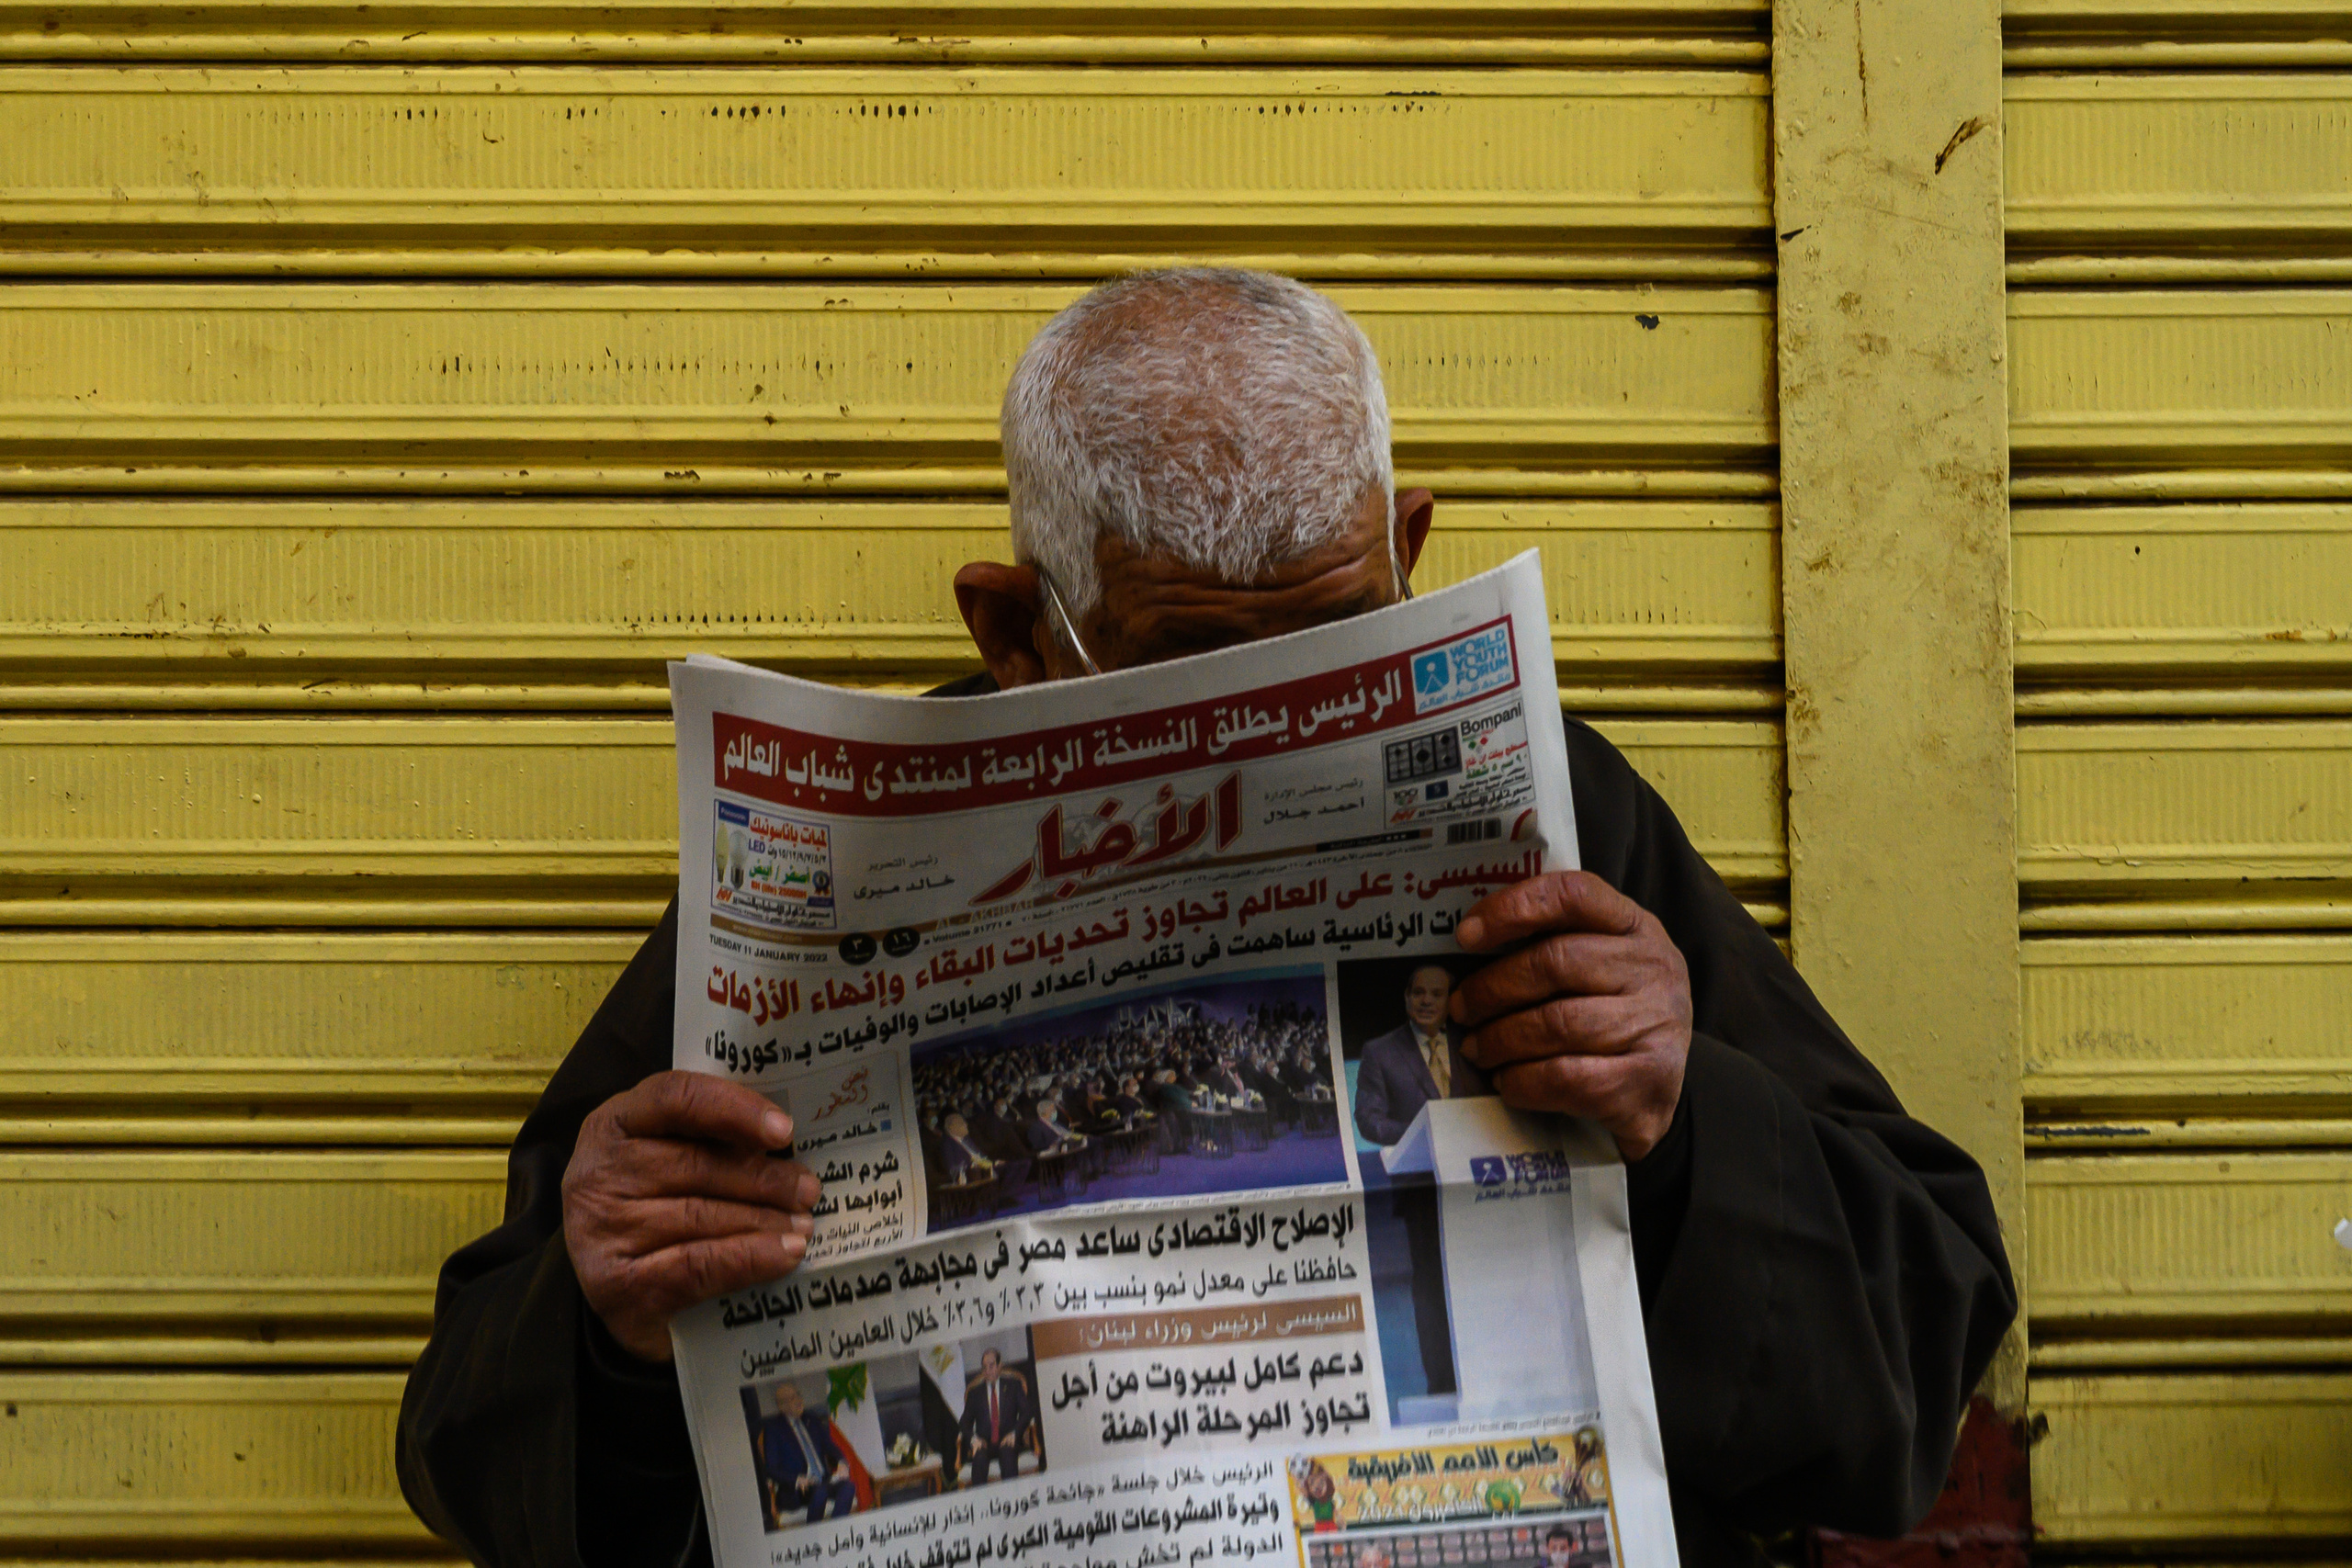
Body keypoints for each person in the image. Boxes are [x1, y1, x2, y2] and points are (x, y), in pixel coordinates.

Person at [397, 267, 2016, 1568]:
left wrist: (1683, 1120)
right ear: (1018, 622)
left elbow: (1916, 1352)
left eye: (1336, 643)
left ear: (1413, 544)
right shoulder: (839, 882)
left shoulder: (1550, 824)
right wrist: (604, 1306)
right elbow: (493, 1470)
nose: (1272, 730)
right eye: (1189, 667)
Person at [1353, 963, 1487, 1146]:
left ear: (1450, 1001)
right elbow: (1369, 1120)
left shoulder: (1472, 1042)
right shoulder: (1378, 1052)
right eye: (1418, 993)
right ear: (1407, 998)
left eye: (1437, 994)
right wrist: (1424, 1135)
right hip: (1419, 1169)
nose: (1426, 1001)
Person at [753, 1382, 854, 1527]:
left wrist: (841, 1463)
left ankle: (836, 1529)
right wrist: (797, 1480)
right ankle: (813, 1535)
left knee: (848, 1487)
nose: (799, 1401)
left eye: (798, 1395)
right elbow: (771, 1469)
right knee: (820, 1492)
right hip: (799, 1490)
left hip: (825, 1481)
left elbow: (830, 1447)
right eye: (792, 1399)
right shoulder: (773, 1429)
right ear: (781, 1406)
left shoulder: (811, 1420)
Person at [956, 1349, 1035, 1484]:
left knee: (1007, 1453)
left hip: (1008, 1440)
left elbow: (1027, 1412)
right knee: (979, 1457)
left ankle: (1012, 1498)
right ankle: (981, 1502)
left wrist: (1014, 1433)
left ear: (999, 1366)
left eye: (991, 1365)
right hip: (985, 1443)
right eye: (984, 1367)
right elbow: (964, 1422)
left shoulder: (1013, 1386)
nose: (988, 1370)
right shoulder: (975, 1393)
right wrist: (974, 1440)